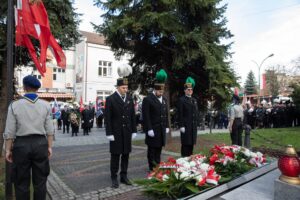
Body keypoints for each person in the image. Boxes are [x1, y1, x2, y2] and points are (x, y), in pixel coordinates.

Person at [3, 75, 54, 200]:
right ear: (37, 88)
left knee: (21, 182)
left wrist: (8, 150)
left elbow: (9, 131)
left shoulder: (15, 105)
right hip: (40, 144)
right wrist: (50, 146)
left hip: (21, 145)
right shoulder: (46, 105)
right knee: (40, 182)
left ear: (25, 87)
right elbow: (50, 130)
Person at [105, 77, 137, 188]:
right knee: (115, 156)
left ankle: (124, 176)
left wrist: (134, 130)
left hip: (127, 132)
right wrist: (109, 133)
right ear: (118, 87)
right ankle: (114, 177)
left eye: (127, 88)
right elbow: (107, 118)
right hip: (116, 133)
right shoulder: (110, 99)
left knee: (126, 155)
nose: (125, 89)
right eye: (123, 87)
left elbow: (132, 115)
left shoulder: (129, 98)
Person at [142, 69, 169, 171]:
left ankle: (157, 167)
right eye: (159, 91)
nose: (161, 93)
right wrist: (148, 129)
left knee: (159, 150)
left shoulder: (164, 100)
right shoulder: (148, 99)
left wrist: (166, 126)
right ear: (155, 90)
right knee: (152, 151)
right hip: (152, 130)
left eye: (162, 91)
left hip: (161, 130)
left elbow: (165, 114)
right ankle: (151, 167)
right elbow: (146, 116)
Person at [177, 77, 199, 157]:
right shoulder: (181, 100)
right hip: (186, 126)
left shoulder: (194, 100)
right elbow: (180, 113)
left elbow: (195, 113)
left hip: (193, 127)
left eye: (191, 90)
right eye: (188, 89)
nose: (190, 91)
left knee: (191, 145)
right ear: (185, 90)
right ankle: (183, 161)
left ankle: (189, 161)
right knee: (185, 145)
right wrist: (181, 125)